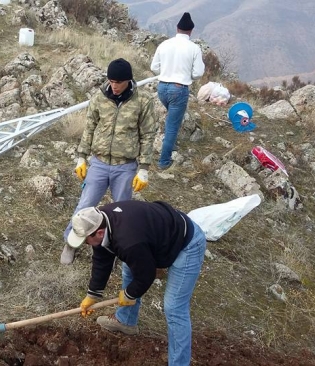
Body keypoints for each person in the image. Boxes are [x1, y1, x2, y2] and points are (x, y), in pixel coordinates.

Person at [68, 200, 206, 366]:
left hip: (187, 244)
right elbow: (102, 259)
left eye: (85, 240)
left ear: (99, 233)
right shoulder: (99, 219)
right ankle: (126, 320)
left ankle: (179, 363)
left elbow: (146, 276)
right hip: (155, 236)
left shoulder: (128, 241)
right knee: (129, 269)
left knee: (174, 307)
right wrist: (93, 294)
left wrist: (129, 294)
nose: (84, 244)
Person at [60, 58, 157, 264]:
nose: (114, 85)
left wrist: (144, 168)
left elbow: (148, 135)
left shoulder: (143, 101)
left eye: (118, 82)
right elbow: (89, 127)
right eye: (111, 81)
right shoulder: (99, 97)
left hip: (125, 166)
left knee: (122, 212)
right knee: (85, 205)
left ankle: (117, 250)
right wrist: (81, 157)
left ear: (128, 81)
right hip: (99, 162)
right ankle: (71, 243)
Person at [150, 12, 205, 170]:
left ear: (177, 28)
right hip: (179, 89)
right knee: (172, 125)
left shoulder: (165, 44)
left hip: (162, 87)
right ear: (190, 31)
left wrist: (165, 73)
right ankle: (164, 161)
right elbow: (198, 73)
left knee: (172, 121)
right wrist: (186, 75)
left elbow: (154, 67)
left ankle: (170, 144)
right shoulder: (194, 48)